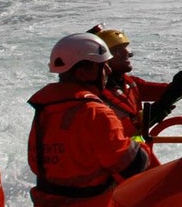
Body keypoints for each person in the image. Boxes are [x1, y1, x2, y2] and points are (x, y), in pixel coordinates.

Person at [27, 32, 148, 206]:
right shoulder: (97, 113)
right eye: (103, 66)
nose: (108, 71)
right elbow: (133, 166)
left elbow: (38, 162)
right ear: (83, 72)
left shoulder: (44, 110)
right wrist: (140, 144)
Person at [87, 24, 182, 165]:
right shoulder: (97, 95)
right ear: (103, 60)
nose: (128, 53)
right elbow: (132, 126)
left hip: (137, 154)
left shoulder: (130, 83)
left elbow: (167, 92)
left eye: (126, 48)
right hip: (116, 161)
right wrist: (161, 107)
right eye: (118, 50)